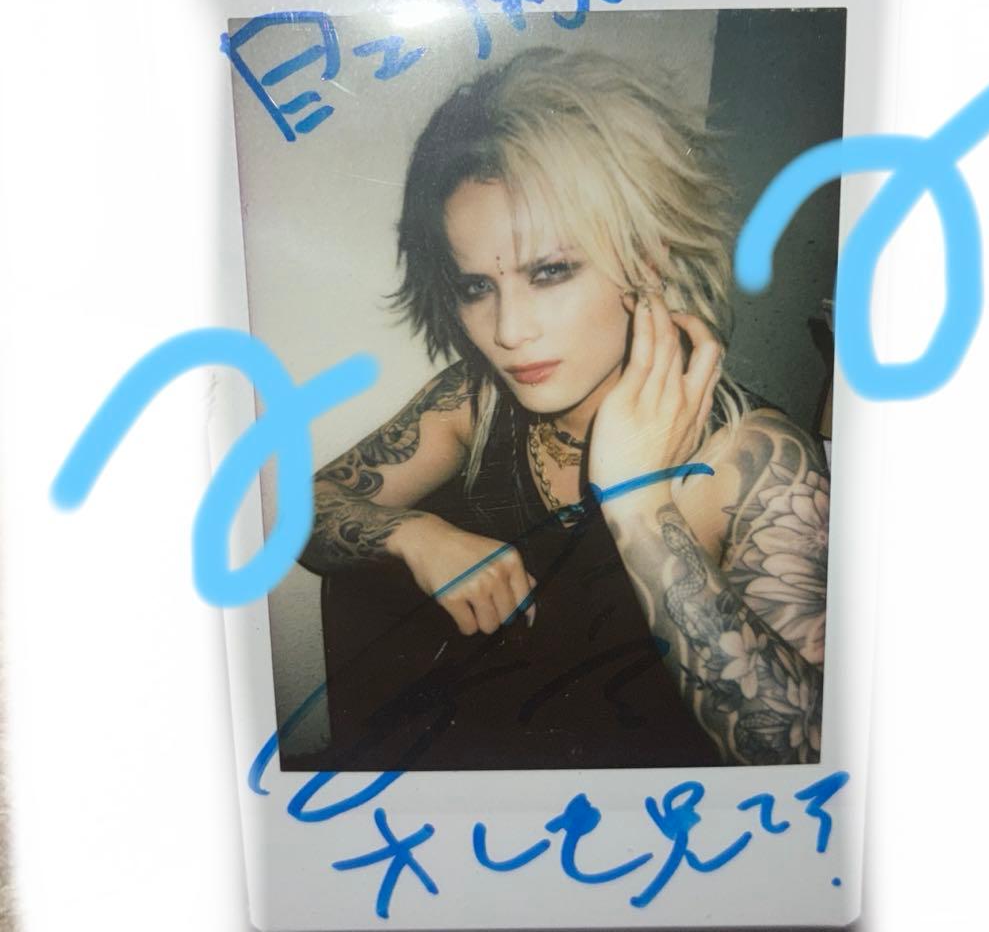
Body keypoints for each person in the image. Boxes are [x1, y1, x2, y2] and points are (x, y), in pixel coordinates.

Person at [296, 47, 829, 770]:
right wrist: (415, 535)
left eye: (550, 272)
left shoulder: (757, 462)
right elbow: (306, 511)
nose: (509, 332)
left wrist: (640, 502)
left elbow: (805, 755)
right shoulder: (477, 401)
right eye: (477, 287)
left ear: (647, 259)